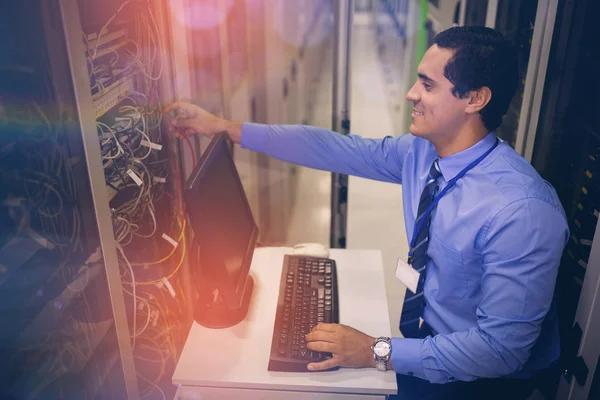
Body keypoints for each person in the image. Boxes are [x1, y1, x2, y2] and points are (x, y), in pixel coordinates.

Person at [164, 26, 568, 399]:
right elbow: (332, 148)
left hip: (479, 381)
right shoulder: (422, 154)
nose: (411, 93)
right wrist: (223, 127)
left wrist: (374, 350)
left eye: (427, 85)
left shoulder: (522, 212)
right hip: (425, 344)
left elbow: (500, 352)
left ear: (475, 99)